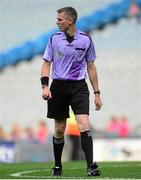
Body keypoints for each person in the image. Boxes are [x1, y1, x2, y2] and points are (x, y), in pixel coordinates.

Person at [40, 7, 102, 177]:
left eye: (60, 19)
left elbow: (91, 67)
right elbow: (46, 64)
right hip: (58, 87)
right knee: (60, 129)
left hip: (79, 87)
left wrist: (97, 93)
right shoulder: (54, 39)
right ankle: (58, 166)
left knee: (84, 124)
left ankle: (91, 166)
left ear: (70, 21)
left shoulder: (86, 40)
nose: (57, 22)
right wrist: (45, 86)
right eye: (57, 19)